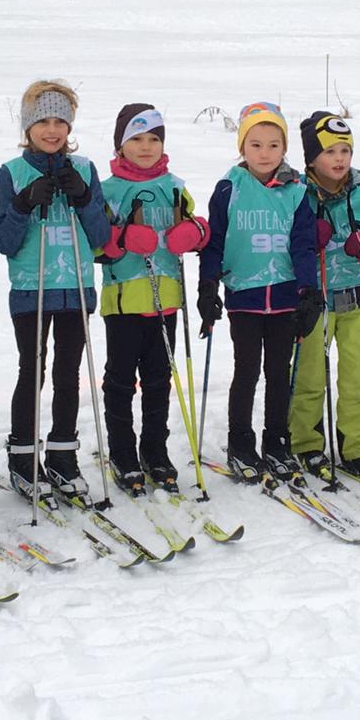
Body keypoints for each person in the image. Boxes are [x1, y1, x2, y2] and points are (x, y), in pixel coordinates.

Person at [0, 79, 111, 498]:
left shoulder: (86, 170)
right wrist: (24, 204)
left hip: (76, 286)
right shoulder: (11, 172)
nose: (52, 129)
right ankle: (23, 457)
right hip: (32, 289)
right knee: (33, 370)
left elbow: (101, 238)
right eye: (42, 120)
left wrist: (83, 198)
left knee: (68, 373)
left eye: (60, 120)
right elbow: (4, 243)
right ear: (27, 126)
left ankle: (63, 456)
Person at [196, 102, 320, 482]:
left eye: (273, 145)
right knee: (247, 371)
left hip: (284, 298)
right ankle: (240, 442)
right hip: (244, 297)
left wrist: (308, 291)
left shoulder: (297, 192)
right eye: (255, 145)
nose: (264, 153)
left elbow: (303, 245)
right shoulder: (229, 187)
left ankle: (277, 441)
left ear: (284, 148)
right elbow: (214, 241)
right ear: (242, 147)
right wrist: (207, 285)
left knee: (279, 374)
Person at [98, 104, 210, 495]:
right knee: (121, 380)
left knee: (160, 379)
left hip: (166, 299)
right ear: (121, 144)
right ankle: (122, 452)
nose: (146, 147)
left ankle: (155, 450)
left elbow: (196, 222)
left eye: (154, 139)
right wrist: (120, 240)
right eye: (137, 139)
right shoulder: (108, 189)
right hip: (125, 300)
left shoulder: (174, 185)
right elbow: (95, 243)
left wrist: (194, 232)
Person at [288, 110, 360, 483]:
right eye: (330, 151)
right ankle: (305, 443)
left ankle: (358, 447)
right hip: (317, 300)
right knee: (310, 374)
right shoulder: (297, 191)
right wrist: (310, 238)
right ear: (312, 157)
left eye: (345, 149)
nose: (339, 159)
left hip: (358, 295)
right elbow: (288, 242)